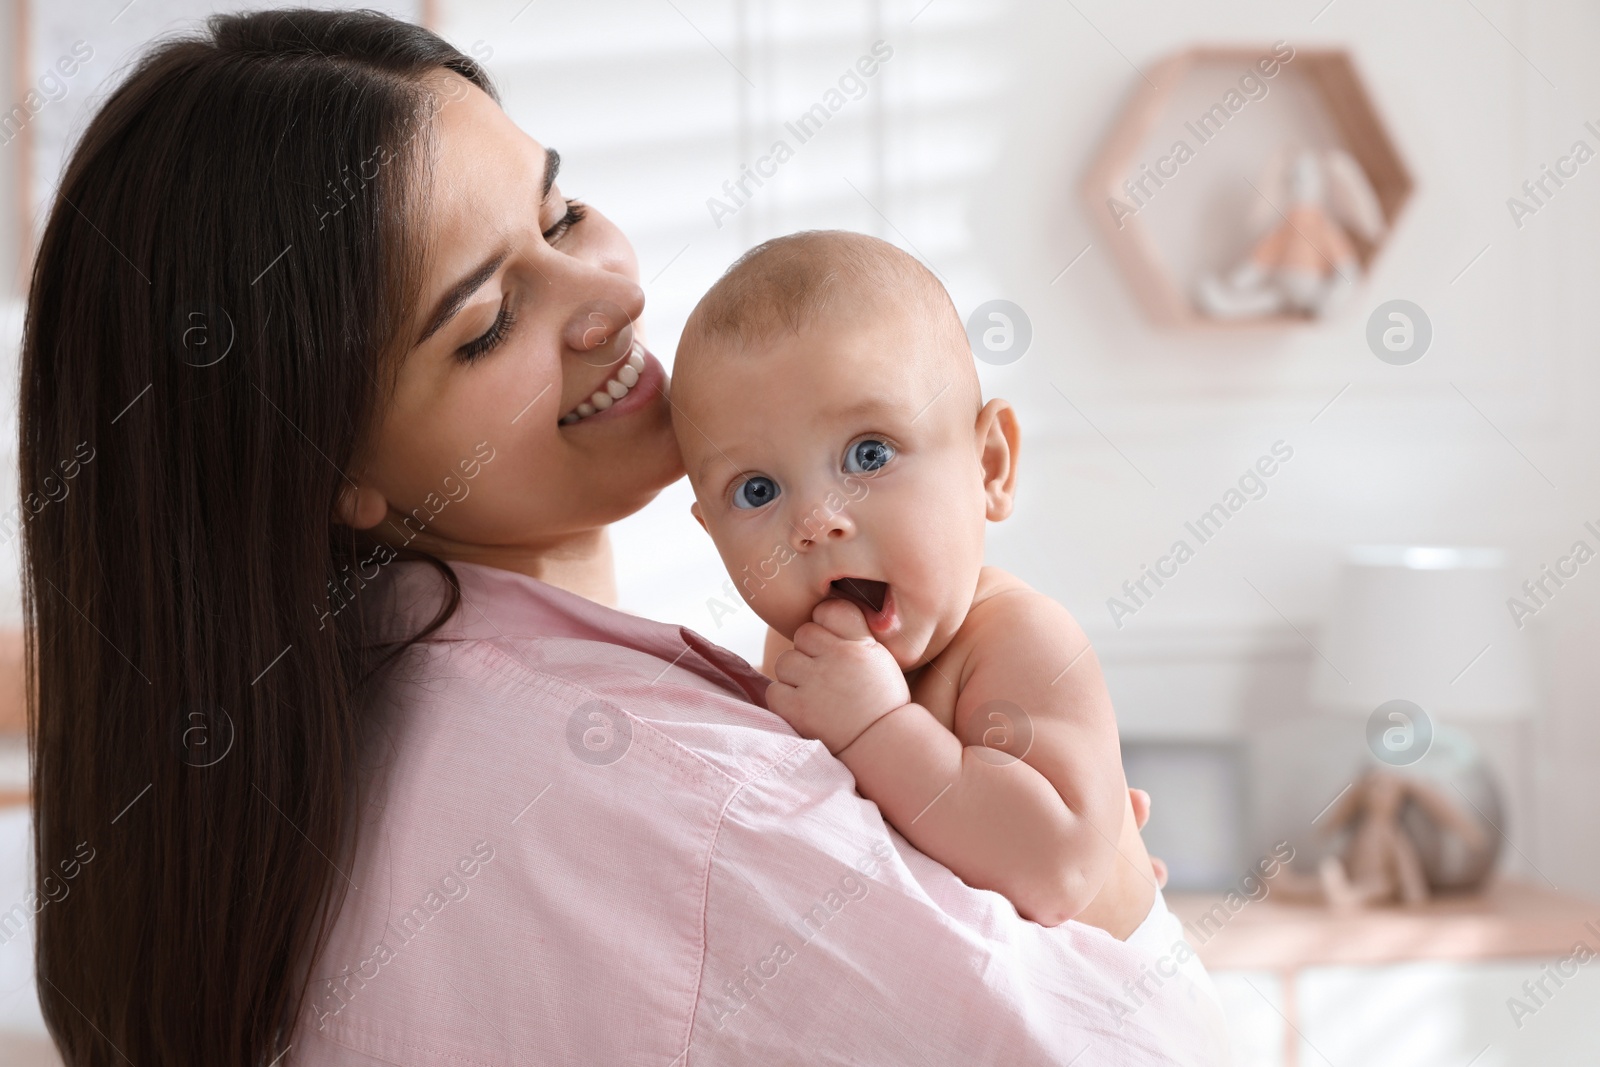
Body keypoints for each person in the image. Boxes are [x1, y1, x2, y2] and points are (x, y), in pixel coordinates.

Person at [19, 9, 1228, 1064]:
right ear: (336, 470)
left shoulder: (295, 771)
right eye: (489, 321)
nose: (610, 296)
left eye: (564, 209)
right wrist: (1120, 906)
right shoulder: (680, 794)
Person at [670, 230, 1213, 985]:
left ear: (989, 465)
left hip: (1123, 1006)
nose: (816, 519)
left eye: (869, 454)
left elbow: (1055, 870)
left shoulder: (1020, 638)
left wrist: (879, 729)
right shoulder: (798, 660)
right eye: (757, 490)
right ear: (711, 533)